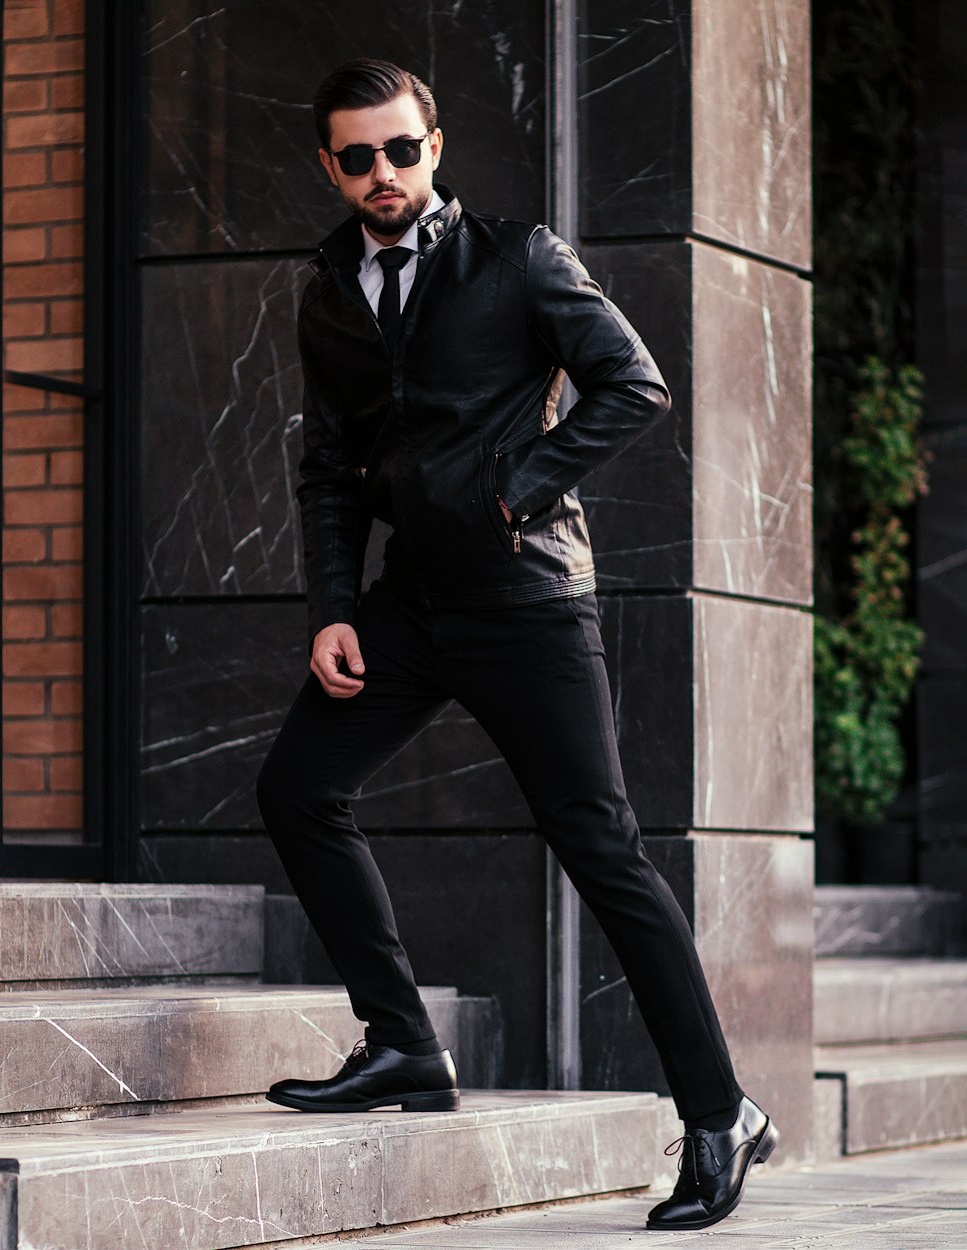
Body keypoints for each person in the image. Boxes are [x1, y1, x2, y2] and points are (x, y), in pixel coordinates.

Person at [256, 57, 778, 1231]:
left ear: (434, 145)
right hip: (407, 604)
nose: (381, 173)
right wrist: (333, 606)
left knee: (603, 852)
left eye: (400, 149)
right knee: (296, 784)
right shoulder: (331, 287)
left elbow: (630, 385)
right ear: (330, 167)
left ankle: (718, 1112)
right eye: (356, 157)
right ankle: (401, 1042)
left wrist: (518, 488)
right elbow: (328, 467)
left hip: (528, 597)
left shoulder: (520, 255)